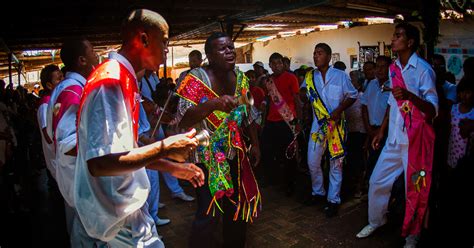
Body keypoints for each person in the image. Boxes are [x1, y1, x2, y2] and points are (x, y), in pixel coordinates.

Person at [74, 9, 204, 247]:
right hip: (114, 219)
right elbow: (100, 163)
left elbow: (126, 151)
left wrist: (171, 167)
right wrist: (166, 147)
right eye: (164, 42)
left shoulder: (124, 78)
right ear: (144, 39)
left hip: (122, 212)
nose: (166, 50)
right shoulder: (111, 81)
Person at [356, 22, 438, 248]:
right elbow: (393, 103)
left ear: (410, 42)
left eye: (398, 36)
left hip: (415, 142)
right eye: (394, 35)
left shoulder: (423, 70)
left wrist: (411, 96)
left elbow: (432, 111)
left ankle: (413, 235)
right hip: (393, 139)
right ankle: (376, 221)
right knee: (377, 181)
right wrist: (381, 132)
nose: (393, 39)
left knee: (416, 188)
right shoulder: (394, 69)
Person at [176, 32, 261, 248]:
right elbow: (184, 119)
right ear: (209, 56)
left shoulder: (241, 78)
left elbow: (249, 114)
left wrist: (256, 144)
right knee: (209, 211)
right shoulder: (194, 78)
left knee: (236, 206)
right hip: (205, 158)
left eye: (231, 47)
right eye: (222, 49)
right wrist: (213, 104)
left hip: (233, 153)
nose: (230, 52)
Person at [45, 37, 101, 246]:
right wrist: (103, 150)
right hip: (78, 176)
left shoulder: (72, 87)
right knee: (84, 232)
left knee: (82, 229)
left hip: (75, 176)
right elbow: (68, 143)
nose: (96, 55)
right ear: (82, 60)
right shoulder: (73, 91)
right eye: (93, 51)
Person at [302, 43, 357, 217]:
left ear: (328, 56)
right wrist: (303, 94)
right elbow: (303, 93)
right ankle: (318, 192)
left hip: (336, 127)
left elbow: (353, 95)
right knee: (312, 162)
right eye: (314, 53)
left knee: (336, 165)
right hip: (318, 126)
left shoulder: (340, 76)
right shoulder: (310, 76)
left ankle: (333, 200)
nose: (315, 56)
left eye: (319, 53)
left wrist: (339, 110)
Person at [261, 52, 299, 195]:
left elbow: (296, 100)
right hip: (271, 121)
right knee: (269, 151)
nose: (276, 66)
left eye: (279, 63)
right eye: (273, 64)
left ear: (283, 64)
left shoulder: (291, 78)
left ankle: (290, 184)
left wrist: (299, 121)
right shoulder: (268, 80)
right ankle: (273, 179)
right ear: (270, 66)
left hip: (287, 121)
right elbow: (268, 99)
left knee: (288, 154)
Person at [360, 56, 391, 184]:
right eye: (378, 67)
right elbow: (364, 106)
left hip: (386, 131)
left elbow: (390, 110)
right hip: (372, 130)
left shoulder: (393, 85)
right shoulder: (371, 84)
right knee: (372, 161)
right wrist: (368, 128)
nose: (380, 70)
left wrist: (381, 130)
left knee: (384, 165)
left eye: (383, 66)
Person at [37, 64, 63, 178]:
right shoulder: (45, 105)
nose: (63, 81)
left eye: (62, 77)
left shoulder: (55, 100)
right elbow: (48, 136)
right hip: (55, 162)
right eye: (59, 79)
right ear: (49, 85)